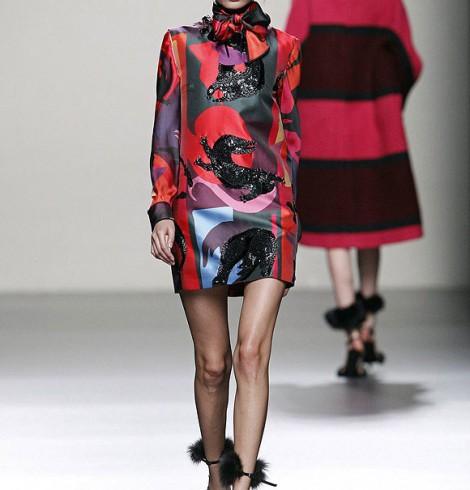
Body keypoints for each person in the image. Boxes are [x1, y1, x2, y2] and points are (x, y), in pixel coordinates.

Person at [148, 1, 301, 487]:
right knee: (213, 365)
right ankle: (217, 476)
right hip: (199, 210)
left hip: (269, 210)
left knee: (251, 353)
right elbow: (166, 133)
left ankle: (244, 481)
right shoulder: (180, 44)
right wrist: (161, 209)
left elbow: (293, 139)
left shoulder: (284, 48)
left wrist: (292, 209)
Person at [285, 0, 423, 377]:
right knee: (369, 225)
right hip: (373, 124)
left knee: (336, 231)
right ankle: (368, 325)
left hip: (325, 126)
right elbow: (410, 62)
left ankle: (352, 335)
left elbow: (289, 58)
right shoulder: (388, 3)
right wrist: (386, 98)